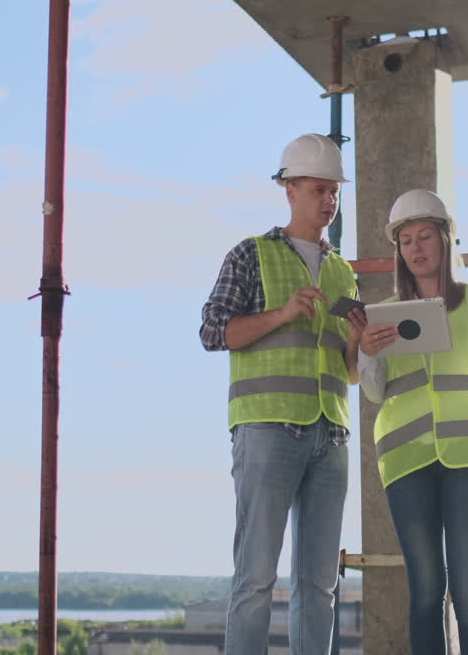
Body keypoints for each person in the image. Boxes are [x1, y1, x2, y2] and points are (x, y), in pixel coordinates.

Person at [199, 133, 366, 655]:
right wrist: (283, 313)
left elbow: (350, 373)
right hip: (268, 429)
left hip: (331, 434)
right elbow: (212, 332)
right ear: (289, 189)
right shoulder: (251, 255)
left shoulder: (343, 272)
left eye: (334, 190)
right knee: (255, 579)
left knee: (320, 585)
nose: (329, 200)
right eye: (318, 189)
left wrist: (358, 344)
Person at [358, 188, 468, 655]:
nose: (416, 248)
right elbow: (375, 391)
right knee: (425, 593)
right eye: (406, 240)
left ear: (445, 240)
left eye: (425, 236)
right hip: (406, 462)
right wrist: (367, 351)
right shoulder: (385, 315)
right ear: (399, 251)